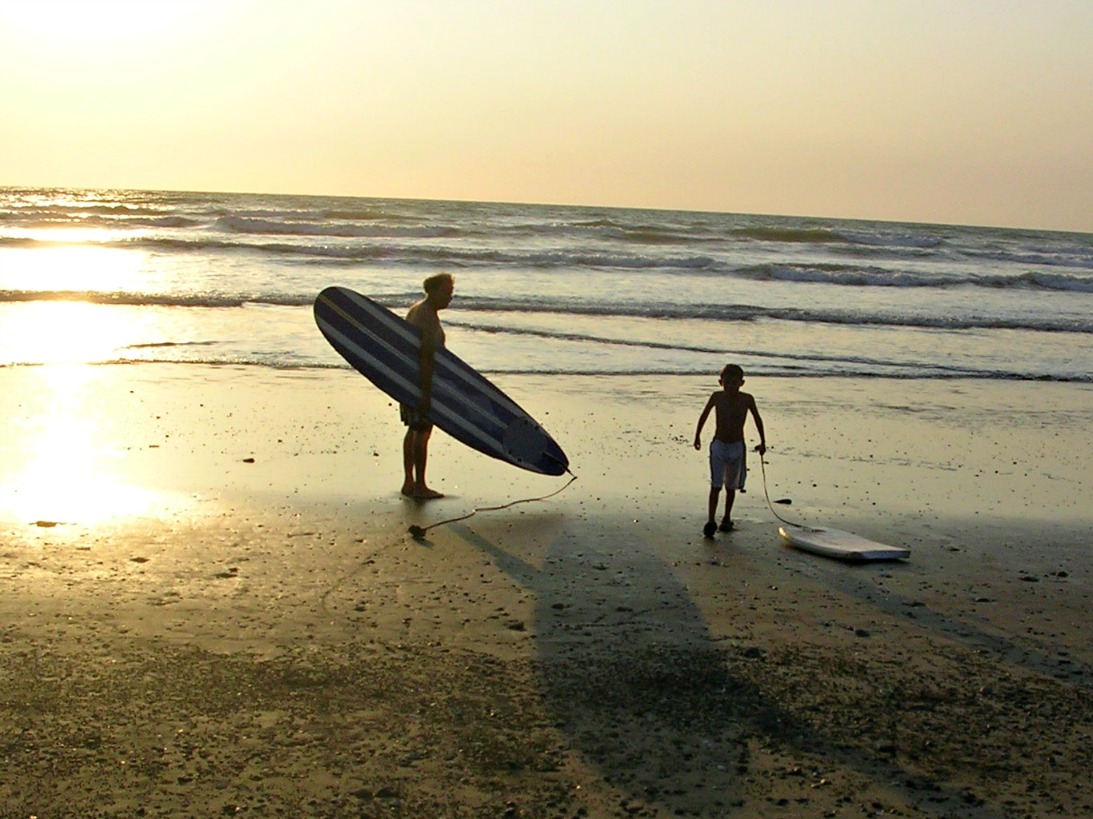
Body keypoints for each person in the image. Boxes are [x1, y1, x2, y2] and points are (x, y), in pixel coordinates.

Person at [693, 364, 766, 537]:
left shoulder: (747, 399)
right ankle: (711, 519)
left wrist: (763, 442)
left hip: (737, 446)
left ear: (742, 383)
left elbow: (757, 419)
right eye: (727, 383)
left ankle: (726, 517)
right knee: (716, 484)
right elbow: (704, 415)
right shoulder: (717, 397)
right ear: (720, 382)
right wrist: (697, 436)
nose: (730, 387)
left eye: (734, 383)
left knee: (731, 486)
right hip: (719, 444)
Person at [401, 273, 455, 499]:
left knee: (414, 430)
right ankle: (420, 486)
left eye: (451, 293)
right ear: (432, 291)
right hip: (420, 382)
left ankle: (409, 482)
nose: (450, 297)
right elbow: (426, 356)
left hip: (407, 380)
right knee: (422, 432)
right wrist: (425, 393)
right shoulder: (426, 316)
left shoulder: (418, 310)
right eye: (446, 292)